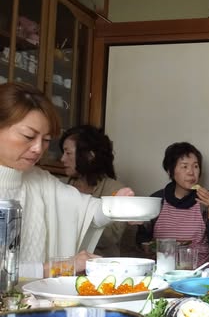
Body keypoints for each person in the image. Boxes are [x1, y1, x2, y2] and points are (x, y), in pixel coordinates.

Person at [0, 82, 133, 278]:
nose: (38, 149)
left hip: (30, 297)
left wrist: (120, 204)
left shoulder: (40, 181)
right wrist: (63, 266)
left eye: (46, 140)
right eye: (28, 136)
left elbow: (88, 212)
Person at [136, 142, 209, 266]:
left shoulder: (207, 199)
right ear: (170, 171)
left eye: (196, 166)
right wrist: (148, 244)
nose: (191, 172)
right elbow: (141, 239)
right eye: (184, 166)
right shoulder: (157, 200)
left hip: (199, 272)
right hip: (163, 271)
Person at [60, 125, 127, 257]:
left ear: (90, 156)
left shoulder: (116, 190)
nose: (62, 159)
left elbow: (112, 237)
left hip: (100, 264)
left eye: (68, 153)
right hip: (64, 264)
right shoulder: (59, 186)